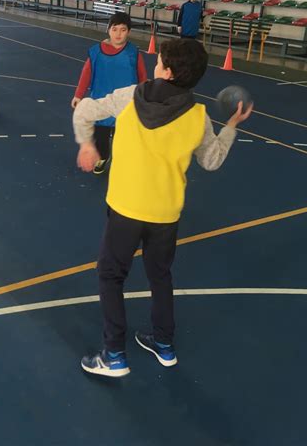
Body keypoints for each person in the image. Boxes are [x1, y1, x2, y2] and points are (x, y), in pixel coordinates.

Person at [73, 38, 253, 377]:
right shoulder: (198, 116)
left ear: (167, 71)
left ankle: (113, 354)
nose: (154, 66)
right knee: (160, 275)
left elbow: (83, 109)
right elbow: (212, 160)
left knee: (111, 276)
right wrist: (230, 127)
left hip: (125, 208)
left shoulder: (131, 97)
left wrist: (86, 145)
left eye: (158, 62)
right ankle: (163, 343)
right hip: (165, 214)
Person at [71, 13, 147, 175]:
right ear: (108, 30)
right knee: (101, 136)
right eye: (115, 29)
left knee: (124, 136)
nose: (118, 33)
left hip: (126, 104)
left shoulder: (133, 53)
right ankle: (103, 157)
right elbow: (86, 73)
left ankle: (122, 159)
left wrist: (144, 97)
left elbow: (142, 76)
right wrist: (79, 94)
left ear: (129, 32)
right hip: (101, 102)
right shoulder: (96, 53)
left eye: (123, 30)